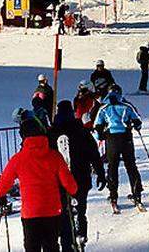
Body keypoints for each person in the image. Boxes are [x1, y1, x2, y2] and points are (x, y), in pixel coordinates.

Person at [0, 111, 79, 252]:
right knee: (51, 245)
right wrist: (73, 192)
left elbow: (4, 181)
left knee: (32, 246)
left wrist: (0, 195)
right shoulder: (55, 156)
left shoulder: (18, 159)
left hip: (31, 212)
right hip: (53, 210)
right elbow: (70, 185)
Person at [51, 100, 105, 252]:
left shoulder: (52, 133)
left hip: (59, 181)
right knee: (80, 209)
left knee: (63, 212)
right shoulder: (81, 131)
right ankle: (81, 235)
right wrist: (100, 173)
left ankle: (67, 241)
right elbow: (94, 154)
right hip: (81, 177)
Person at [93, 88, 144, 210]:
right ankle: (137, 194)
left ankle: (113, 195)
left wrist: (100, 135)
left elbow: (97, 126)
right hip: (126, 139)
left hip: (112, 140)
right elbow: (138, 121)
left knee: (112, 167)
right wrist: (136, 126)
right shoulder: (126, 107)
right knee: (131, 166)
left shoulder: (104, 108)